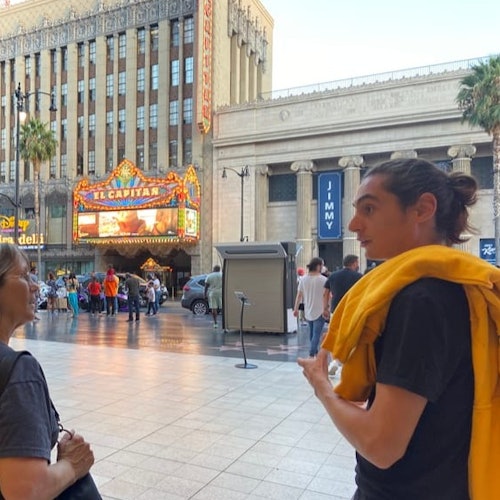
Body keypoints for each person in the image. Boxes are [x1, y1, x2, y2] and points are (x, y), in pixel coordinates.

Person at [298, 158, 500, 500]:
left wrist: (322, 387)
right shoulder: (460, 289)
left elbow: (381, 444)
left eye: (370, 209)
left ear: (422, 208)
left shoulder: (422, 301)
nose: (353, 224)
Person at [0, 243, 96, 497]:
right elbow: (26, 490)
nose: (34, 285)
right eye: (22, 275)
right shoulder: (18, 370)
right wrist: (74, 466)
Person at [323, 254, 363, 376]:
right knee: (351, 336)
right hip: (352, 311)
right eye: (357, 262)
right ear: (354, 263)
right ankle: (348, 363)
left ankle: (334, 361)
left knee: (334, 335)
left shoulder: (333, 276)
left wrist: (325, 308)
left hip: (336, 310)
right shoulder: (359, 277)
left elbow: (325, 293)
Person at [293, 257, 328, 358]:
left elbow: (299, 295)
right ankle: (312, 354)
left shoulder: (303, 279)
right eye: (322, 265)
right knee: (316, 333)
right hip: (320, 310)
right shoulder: (324, 280)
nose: (323, 267)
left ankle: (314, 352)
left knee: (312, 334)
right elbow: (326, 295)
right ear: (318, 266)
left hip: (308, 310)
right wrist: (327, 308)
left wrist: (296, 309)